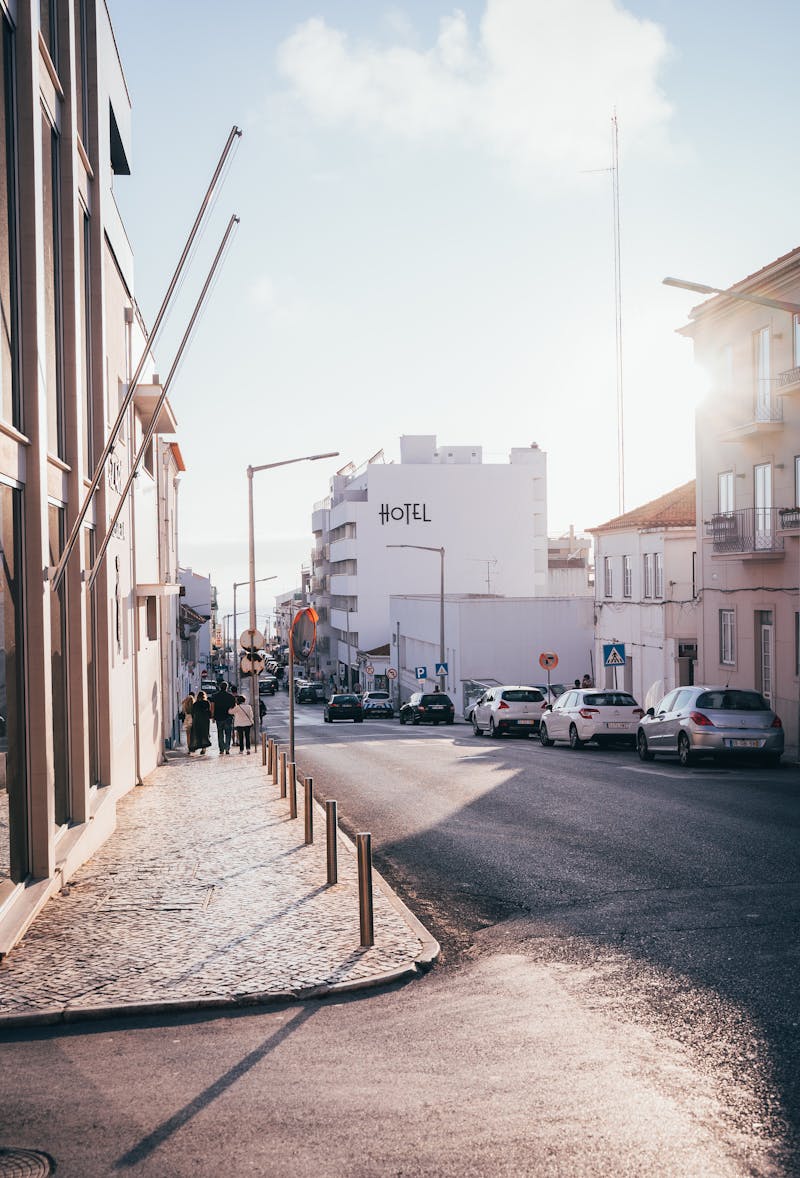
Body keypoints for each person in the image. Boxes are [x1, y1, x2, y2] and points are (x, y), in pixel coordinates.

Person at [210, 681, 236, 755]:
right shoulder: (231, 696)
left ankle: (221, 749)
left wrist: (212, 716)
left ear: (219, 687)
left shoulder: (215, 696)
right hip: (228, 717)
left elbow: (212, 707)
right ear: (227, 688)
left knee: (220, 733)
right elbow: (233, 707)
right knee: (228, 734)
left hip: (218, 717)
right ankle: (227, 748)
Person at [190, 690, 212, 755]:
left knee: (197, 733)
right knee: (205, 733)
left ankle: (195, 747)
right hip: (205, 720)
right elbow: (209, 711)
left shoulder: (195, 704)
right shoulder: (207, 703)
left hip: (197, 720)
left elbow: (192, 713)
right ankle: (204, 748)